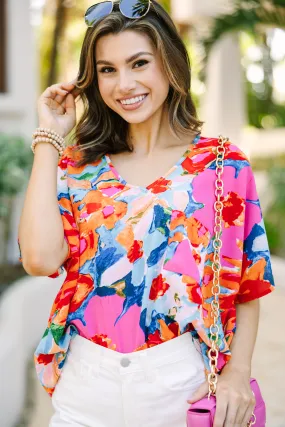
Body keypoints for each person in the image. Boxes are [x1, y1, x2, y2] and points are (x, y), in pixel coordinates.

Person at [18, 1, 275, 426]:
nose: (124, 84)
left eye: (139, 63)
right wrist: (50, 138)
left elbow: (248, 283)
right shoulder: (78, 168)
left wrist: (238, 373)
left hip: (181, 386)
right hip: (86, 385)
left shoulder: (223, 166)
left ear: (170, 64)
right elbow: (39, 259)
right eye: (107, 69)